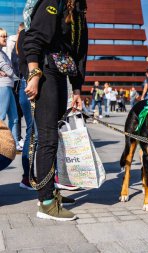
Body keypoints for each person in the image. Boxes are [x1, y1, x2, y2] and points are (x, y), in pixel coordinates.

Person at [23, 0, 88, 221]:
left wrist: (77, 90)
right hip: (44, 71)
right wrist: (33, 75)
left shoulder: (79, 10)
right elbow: (34, 37)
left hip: (60, 73)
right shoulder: (54, 1)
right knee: (48, 138)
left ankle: (50, 191)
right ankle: (46, 203)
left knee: (56, 137)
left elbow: (79, 54)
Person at [16, 24, 37, 190]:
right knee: (33, 132)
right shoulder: (26, 33)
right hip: (29, 86)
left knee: (34, 132)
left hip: (28, 85)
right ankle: (27, 177)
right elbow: (24, 62)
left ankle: (29, 176)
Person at [0, 28, 19, 150]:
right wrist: (16, 76)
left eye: (6, 36)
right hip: (3, 87)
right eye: (2, 36)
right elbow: (5, 67)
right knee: (1, 118)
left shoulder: (3, 53)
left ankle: (12, 144)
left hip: (8, 86)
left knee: (15, 118)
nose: (5, 38)